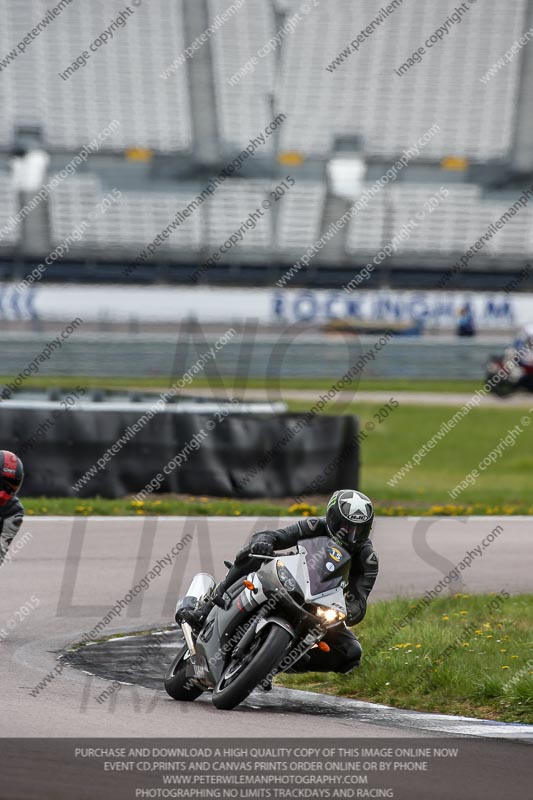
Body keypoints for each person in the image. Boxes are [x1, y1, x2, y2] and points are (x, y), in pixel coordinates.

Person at [177, 489, 379, 675]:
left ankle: (290, 661)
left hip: (322, 607)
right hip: (290, 579)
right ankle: (208, 605)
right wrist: (264, 542)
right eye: (345, 527)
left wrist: (349, 611)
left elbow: (360, 600)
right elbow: (275, 536)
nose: (351, 535)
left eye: (358, 530)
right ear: (332, 519)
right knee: (252, 554)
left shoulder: (367, 559)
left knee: (351, 652)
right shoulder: (315, 527)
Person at [0, 451, 25, 567]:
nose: (10, 489)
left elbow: (1, 551)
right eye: (7, 484)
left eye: (14, 484)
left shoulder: (13, 512)